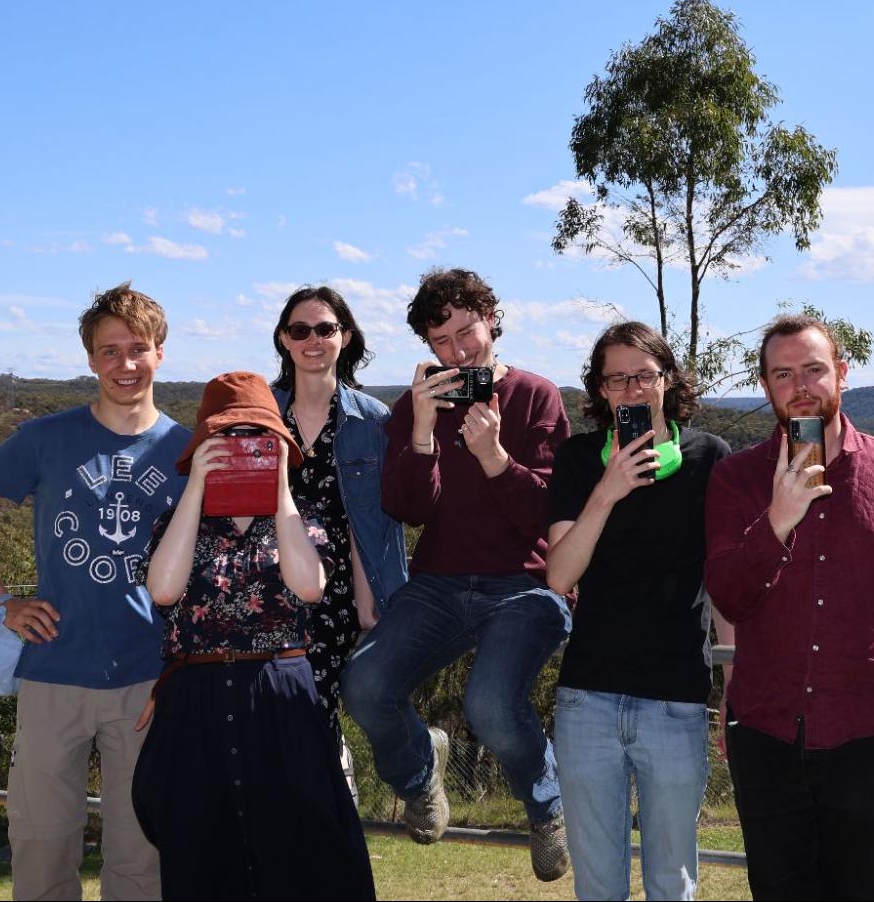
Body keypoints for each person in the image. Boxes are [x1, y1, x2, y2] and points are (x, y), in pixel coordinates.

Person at [704, 314, 874, 902]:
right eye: (783, 374)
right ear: (767, 385)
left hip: (872, 736)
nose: (800, 385)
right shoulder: (735, 479)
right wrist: (777, 518)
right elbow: (727, 595)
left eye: (814, 369)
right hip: (767, 734)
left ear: (842, 375)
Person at [0, 282, 187, 902]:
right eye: (109, 352)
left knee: (143, 852)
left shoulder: (189, 451)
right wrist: (1, 602)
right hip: (54, 671)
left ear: (161, 354)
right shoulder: (45, 438)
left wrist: (181, 668)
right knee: (42, 847)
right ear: (90, 360)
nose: (124, 365)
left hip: (149, 678)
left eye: (137, 349)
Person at [339, 266, 574, 881]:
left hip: (525, 584)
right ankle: (421, 770)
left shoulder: (536, 396)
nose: (459, 350)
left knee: (491, 704)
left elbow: (547, 518)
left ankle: (547, 805)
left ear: (492, 320)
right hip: (441, 582)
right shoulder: (414, 409)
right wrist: (421, 432)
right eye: (442, 342)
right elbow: (408, 510)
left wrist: (494, 457)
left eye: (468, 332)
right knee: (364, 685)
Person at [131, 371, 376, 901]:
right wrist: (197, 485)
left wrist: (279, 484)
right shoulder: (178, 521)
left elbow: (308, 587)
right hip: (196, 701)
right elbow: (165, 589)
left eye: (257, 438)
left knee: (299, 851)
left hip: (279, 696)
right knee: (203, 852)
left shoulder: (302, 521)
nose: (241, 448)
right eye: (227, 438)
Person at [544, 322, 733, 902]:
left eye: (643, 376)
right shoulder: (578, 460)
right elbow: (559, 573)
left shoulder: (708, 458)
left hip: (675, 701)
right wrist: (607, 489)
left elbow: (723, 584)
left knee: (671, 881)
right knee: (598, 884)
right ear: (599, 390)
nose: (630, 389)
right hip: (588, 700)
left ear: (667, 381)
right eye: (616, 379)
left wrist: (735, 682)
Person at [268, 285, 408, 728]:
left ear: (344, 336)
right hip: (262, 588)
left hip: (334, 597)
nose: (313, 339)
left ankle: (321, 795)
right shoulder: (259, 412)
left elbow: (370, 523)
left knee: (314, 715)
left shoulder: (371, 420)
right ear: (284, 339)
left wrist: (369, 604)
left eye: (325, 328)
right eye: (300, 329)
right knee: (259, 717)